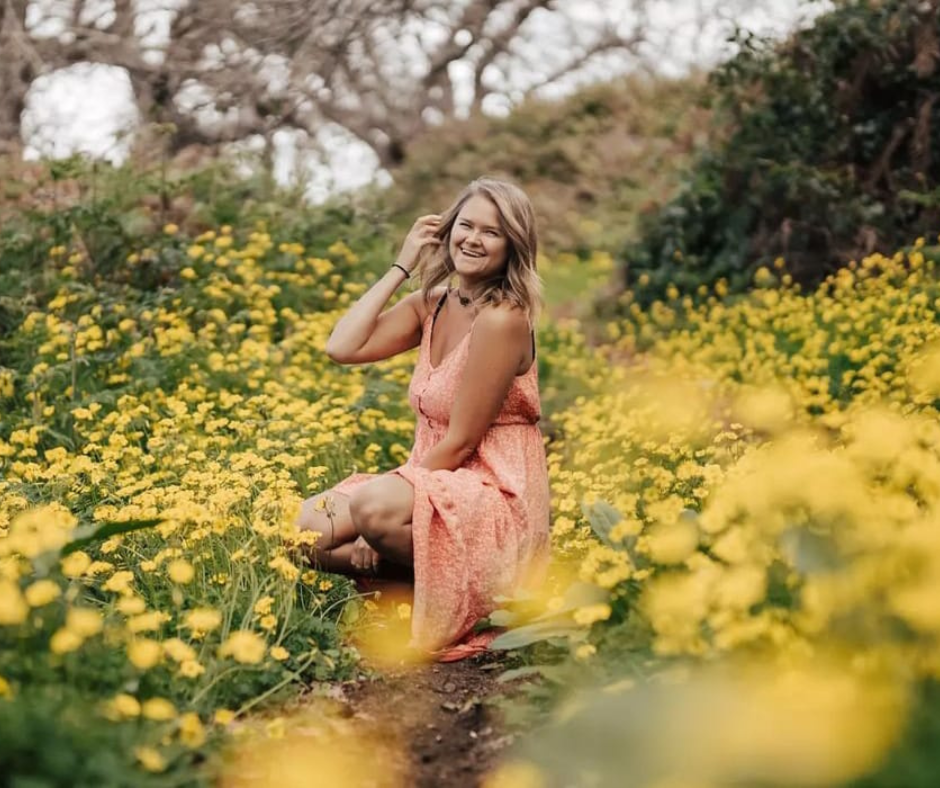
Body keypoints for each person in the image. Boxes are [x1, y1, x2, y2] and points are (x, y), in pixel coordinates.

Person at [295, 177, 551, 661]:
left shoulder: (502, 319)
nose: (473, 240)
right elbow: (342, 347)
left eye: (491, 232)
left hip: (493, 491)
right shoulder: (432, 305)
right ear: (446, 230)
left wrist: (386, 520)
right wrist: (402, 264)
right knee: (299, 529)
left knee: (371, 508)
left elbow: (461, 443)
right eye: (466, 226)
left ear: (513, 245)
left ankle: (454, 592)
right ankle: (414, 587)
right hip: (438, 479)